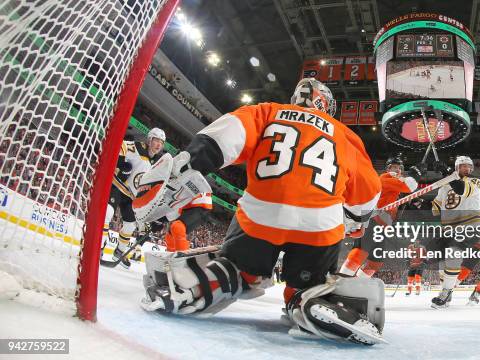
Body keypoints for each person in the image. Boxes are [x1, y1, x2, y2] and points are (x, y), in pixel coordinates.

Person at [138, 78, 386, 345]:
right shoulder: (345, 135)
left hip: (261, 214)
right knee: (308, 282)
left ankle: (205, 282)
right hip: (320, 222)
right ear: (324, 103)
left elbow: (226, 135)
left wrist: (189, 161)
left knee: (242, 270)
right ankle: (307, 298)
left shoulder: (268, 111)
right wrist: (355, 218)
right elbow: (369, 191)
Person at [339, 155, 422, 278]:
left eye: (399, 168)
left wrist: (411, 204)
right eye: (394, 167)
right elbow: (409, 186)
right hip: (374, 219)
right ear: (387, 169)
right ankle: (342, 279)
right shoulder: (385, 178)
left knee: (376, 261)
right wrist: (414, 175)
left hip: (383, 225)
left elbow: (399, 198)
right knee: (361, 251)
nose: (397, 170)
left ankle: (358, 282)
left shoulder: (395, 184)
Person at [100, 127, 166, 268]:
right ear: (149, 140)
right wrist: (121, 163)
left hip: (131, 196)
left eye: (161, 142)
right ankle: (98, 246)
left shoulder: (157, 162)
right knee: (107, 213)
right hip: (117, 186)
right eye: (156, 140)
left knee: (130, 225)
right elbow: (121, 145)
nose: (159, 145)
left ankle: (120, 252)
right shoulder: (137, 147)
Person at [429, 156, 480, 309]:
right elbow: (435, 210)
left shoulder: (475, 182)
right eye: (463, 166)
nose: (467, 169)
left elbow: (461, 189)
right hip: (449, 230)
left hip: (469, 226)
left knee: (453, 254)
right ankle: (447, 291)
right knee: (441, 260)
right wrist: (418, 203)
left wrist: (446, 173)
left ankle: (445, 293)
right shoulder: (444, 187)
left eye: (468, 166)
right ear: (456, 168)